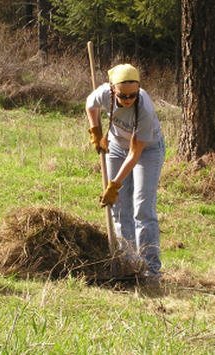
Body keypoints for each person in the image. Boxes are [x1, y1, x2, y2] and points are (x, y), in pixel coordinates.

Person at [85, 63, 165, 281]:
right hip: (116, 147)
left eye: (133, 95)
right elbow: (90, 106)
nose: (128, 100)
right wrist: (95, 132)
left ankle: (150, 269)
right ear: (112, 90)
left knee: (142, 207)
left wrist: (114, 185)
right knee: (119, 208)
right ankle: (128, 263)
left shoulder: (145, 110)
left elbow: (134, 154)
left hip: (146, 152)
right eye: (123, 96)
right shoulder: (103, 94)